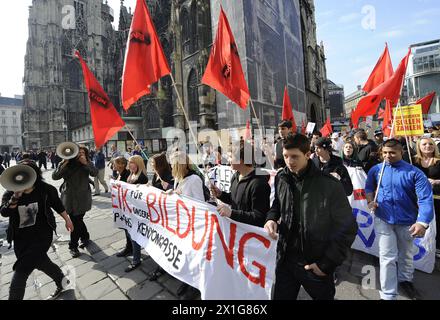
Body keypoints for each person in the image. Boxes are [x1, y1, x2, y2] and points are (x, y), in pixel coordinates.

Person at [264, 134, 358, 300]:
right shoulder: (281, 177)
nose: (289, 161)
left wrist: (326, 264)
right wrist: (271, 219)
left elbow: (347, 228)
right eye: (286, 156)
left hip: (315, 263)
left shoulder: (329, 185)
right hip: (285, 259)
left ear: (308, 155)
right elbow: (277, 205)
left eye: (295, 156)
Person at [365, 139, 434, 300]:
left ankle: (405, 280)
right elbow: (369, 187)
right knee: (387, 256)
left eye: (392, 153)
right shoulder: (376, 170)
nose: (388, 156)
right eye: (385, 153)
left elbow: (425, 199)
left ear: (401, 152)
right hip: (383, 219)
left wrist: (422, 222)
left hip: (407, 222)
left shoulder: (414, 173)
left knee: (406, 254)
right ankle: (388, 294)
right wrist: (370, 201)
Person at [0, 160, 74, 300]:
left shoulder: (46, 189)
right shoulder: (11, 192)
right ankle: (63, 281)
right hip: (20, 237)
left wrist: (67, 219)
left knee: (21, 270)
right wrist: (15, 197)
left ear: (35, 175)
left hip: (42, 235)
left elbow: (57, 205)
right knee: (41, 262)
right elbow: (4, 212)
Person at [170, 150, 205, 300]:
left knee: (193, 256)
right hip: (182, 222)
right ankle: (187, 280)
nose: (171, 166)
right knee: (185, 254)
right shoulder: (179, 178)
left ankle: (195, 286)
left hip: (194, 224)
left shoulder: (194, 179)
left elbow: (200, 203)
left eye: (173, 164)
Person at [52, 145, 98, 258]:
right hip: (69, 197)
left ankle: (73, 246)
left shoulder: (87, 162)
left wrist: (85, 163)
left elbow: (94, 173)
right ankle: (85, 237)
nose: (80, 154)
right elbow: (55, 176)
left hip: (82, 197)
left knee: (76, 221)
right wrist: (65, 163)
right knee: (77, 220)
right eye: (78, 152)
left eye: (82, 153)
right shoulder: (65, 163)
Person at [211, 142, 271, 227]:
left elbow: (259, 218)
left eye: (231, 157)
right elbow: (235, 200)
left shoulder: (259, 184)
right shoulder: (236, 176)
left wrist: (232, 213)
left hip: (250, 236)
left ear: (241, 160)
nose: (228, 160)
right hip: (237, 232)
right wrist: (220, 194)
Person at [146, 152, 174, 281]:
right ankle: (161, 265)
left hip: (167, 214)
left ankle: (164, 267)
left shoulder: (168, 175)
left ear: (160, 163)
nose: (151, 165)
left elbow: (172, 191)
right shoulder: (156, 175)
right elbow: (155, 188)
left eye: (153, 163)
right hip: (157, 212)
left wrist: (168, 187)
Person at [412, 137, 440, 258]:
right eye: (424, 144)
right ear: (419, 146)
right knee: (420, 221)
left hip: (437, 197)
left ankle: (437, 248)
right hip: (418, 198)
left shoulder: (439, 161)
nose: (428, 146)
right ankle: (419, 247)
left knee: (438, 222)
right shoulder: (413, 161)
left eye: (430, 144)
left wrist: (436, 181)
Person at [124, 155, 149, 272]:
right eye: (129, 162)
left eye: (132, 163)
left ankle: (136, 259)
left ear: (138, 163)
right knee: (131, 234)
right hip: (130, 209)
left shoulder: (142, 177)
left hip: (137, 211)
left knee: (134, 235)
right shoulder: (131, 174)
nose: (129, 165)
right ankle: (136, 254)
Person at [112, 157, 133, 258]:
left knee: (128, 228)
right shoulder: (118, 174)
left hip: (127, 207)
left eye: (115, 164)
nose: (113, 165)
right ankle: (129, 246)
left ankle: (130, 248)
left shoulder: (127, 174)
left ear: (121, 165)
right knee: (125, 227)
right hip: (121, 206)